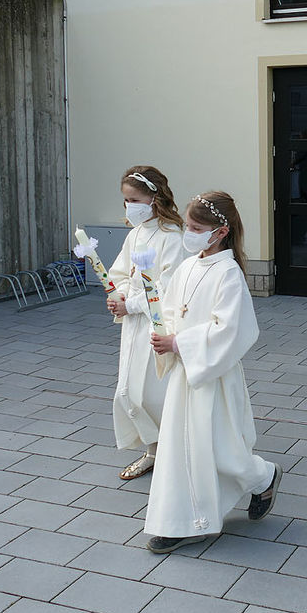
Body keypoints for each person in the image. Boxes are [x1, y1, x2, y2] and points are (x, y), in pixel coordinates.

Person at [144, 192, 281, 554]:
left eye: (194, 228)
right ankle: (180, 521)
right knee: (181, 448)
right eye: (188, 226)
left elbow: (233, 330)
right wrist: (161, 331)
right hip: (184, 374)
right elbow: (171, 306)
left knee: (222, 450)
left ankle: (263, 476)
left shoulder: (228, 273)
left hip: (213, 375)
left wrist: (181, 344)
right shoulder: (188, 266)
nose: (187, 233)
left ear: (220, 232)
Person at [106, 166, 189, 481]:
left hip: (157, 325)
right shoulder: (135, 234)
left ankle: (171, 450)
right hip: (133, 325)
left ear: (155, 198)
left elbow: (168, 288)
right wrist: (119, 296)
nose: (129, 207)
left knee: (153, 393)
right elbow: (121, 274)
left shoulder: (172, 237)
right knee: (127, 392)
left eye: (134, 199)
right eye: (126, 201)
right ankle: (152, 449)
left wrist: (132, 303)